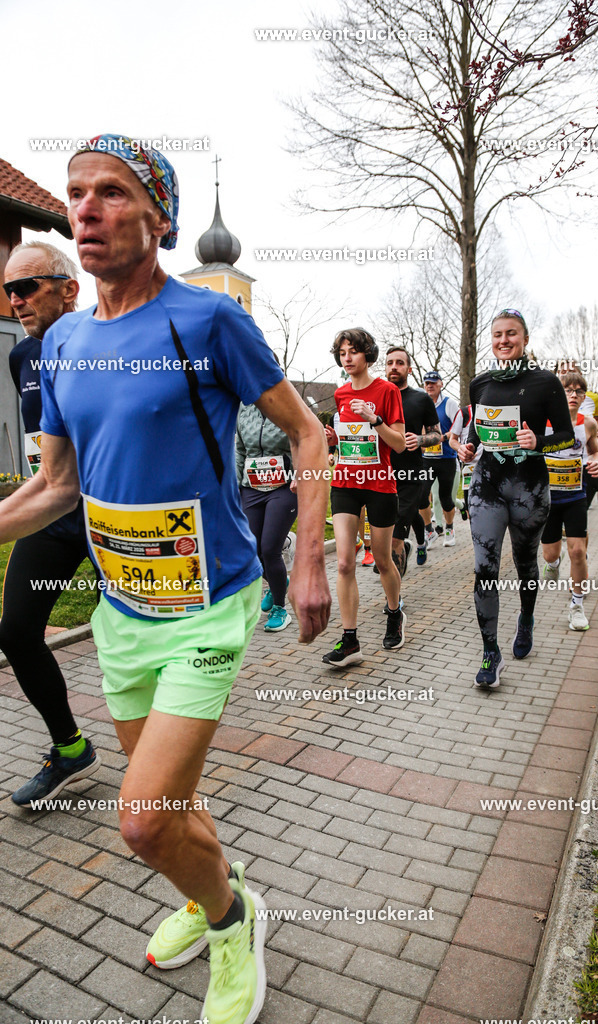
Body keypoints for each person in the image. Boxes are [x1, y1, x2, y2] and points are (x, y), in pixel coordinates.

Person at [0, 135, 330, 1024]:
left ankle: (232, 921)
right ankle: (206, 890)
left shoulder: (208, 321)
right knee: (173, 802)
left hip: (208, 606)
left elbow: (306, 434)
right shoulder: (63, 339)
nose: (85, 208)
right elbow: (57, 485)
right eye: (75, 193)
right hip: (121, 611)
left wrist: (304, 562)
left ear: (160, 217)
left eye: (110, 192)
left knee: (143, 819)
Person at [0, 242, 101, 807]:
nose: (14, 300)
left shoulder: (103, 345)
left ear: (69, 288)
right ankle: (69, 747)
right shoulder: (22, 358)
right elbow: (48, 456)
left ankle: (165, 765)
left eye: (27, 286)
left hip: (112, 519)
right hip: (52, 511)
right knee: (15, 631)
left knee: (139, 641)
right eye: (8, 290)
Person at [457, 309, 573, 688]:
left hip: (529, 488)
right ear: (491, 340)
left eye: (511, 334)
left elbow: (568, 437)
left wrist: (539, 442)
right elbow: (478, 427)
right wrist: (470, 448)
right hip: (487, 485)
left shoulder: (545, 382)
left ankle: (525, 619)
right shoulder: (480, 383)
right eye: (497, 335)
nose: (503, 340)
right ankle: (490, 652)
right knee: (485, 567)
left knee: (525, 562)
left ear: (524, 338)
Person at [323, 328, 405, 666]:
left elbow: (398, 443)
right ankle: (350, 640)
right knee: (344, 562)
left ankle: (394, 612)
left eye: (354, 351)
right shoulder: (340, 394)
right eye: (342, 352)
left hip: (380, 483)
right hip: (345, 482)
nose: (348, 357)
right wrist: (333, 442)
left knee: (383, 560)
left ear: (366, 354)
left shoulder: (386, 390)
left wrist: (375, 420)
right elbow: (349, 442)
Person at [541, 371, 598, 631]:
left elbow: (595, 451)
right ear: (559, 393)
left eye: (579, 391)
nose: (574, 394)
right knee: (549, 554)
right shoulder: (541, 422)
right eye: (568, 390)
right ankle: (554, 564)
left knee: (578, 551)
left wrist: (596, 463)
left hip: (576, 495)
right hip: (548, 498)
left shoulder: (588, 424)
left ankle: (577, 606)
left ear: (584, 396)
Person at [235, 399, 298, 631]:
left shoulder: (288, 403)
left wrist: (300, 473)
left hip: (284, 487)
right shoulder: (243, 407)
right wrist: (236, 485)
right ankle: (277, 582)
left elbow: (303, 441)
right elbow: (240, 448)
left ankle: (280, 609)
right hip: (251, 487)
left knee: (270, 548)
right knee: (251, 548)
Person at [384, 347, 440, 573]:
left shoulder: (421, 399)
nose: (394, 367)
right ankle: (422, 539)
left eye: (399, 363)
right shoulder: (378, 397)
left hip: (411, 475)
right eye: (390, 363)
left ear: (408, 368)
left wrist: (419, 439)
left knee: (394, 538)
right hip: (380, 475)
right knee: (405, 517)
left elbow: (437, 435)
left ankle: (394, 600)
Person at [420, 371, 460, 547]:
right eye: (427, 383)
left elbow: (457, 427)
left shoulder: (449, 404)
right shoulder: (421, 403)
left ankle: (449, 528)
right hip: (426, 458)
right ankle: (429, 530)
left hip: (446, 457)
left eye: (433, 383)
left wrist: (442, 437)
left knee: (445, 498)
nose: (430, 385)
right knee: (422, 496)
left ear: (441, 384)